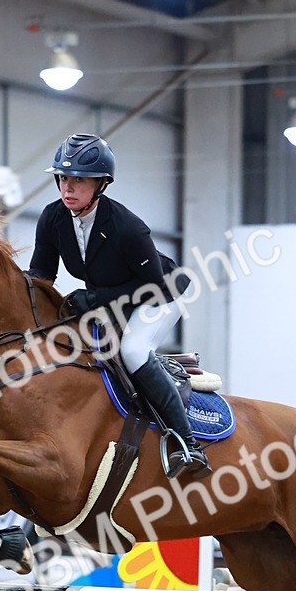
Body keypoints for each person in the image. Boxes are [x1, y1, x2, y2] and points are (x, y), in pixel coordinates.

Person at [28, 133, 210, 480]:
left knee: (133, 350)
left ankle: (188, 444)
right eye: (63, 178)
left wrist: (93, 299)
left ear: (101, 185)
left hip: (159, 295)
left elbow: (153, 286)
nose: (68, 187)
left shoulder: (127, 228)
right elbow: (41, 275)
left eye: (79, 180)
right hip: (114, 296)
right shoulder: (52, 218)